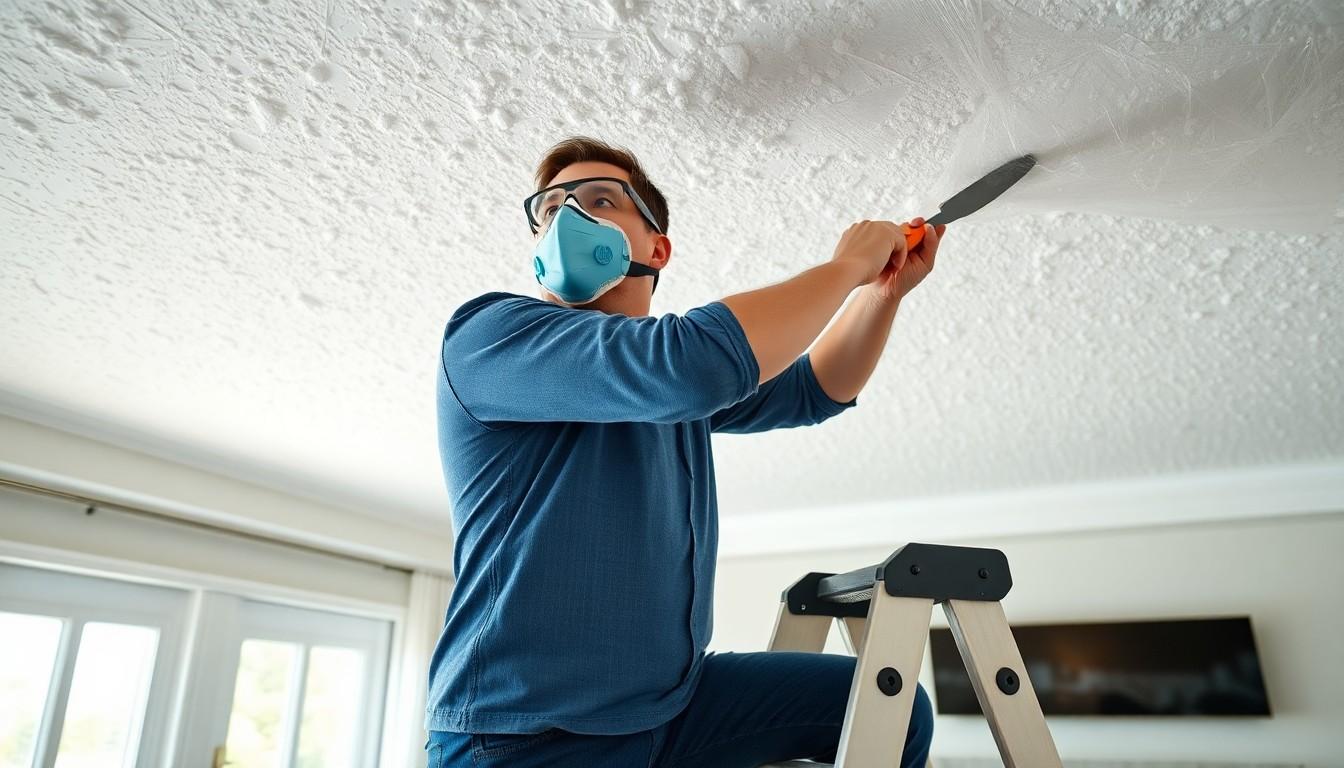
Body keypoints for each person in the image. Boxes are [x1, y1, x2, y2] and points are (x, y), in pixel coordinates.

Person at [426, 136, 945, 768]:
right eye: (550, 209)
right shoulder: (492, 338)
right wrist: (846, 268)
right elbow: (689, 363)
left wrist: (880, 293)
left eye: (598, 200)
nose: (567, 218)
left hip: (671, 709)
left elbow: (813, 390)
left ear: (657, 248)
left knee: (890, 710)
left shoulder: (667, 386)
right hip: (524, 734)